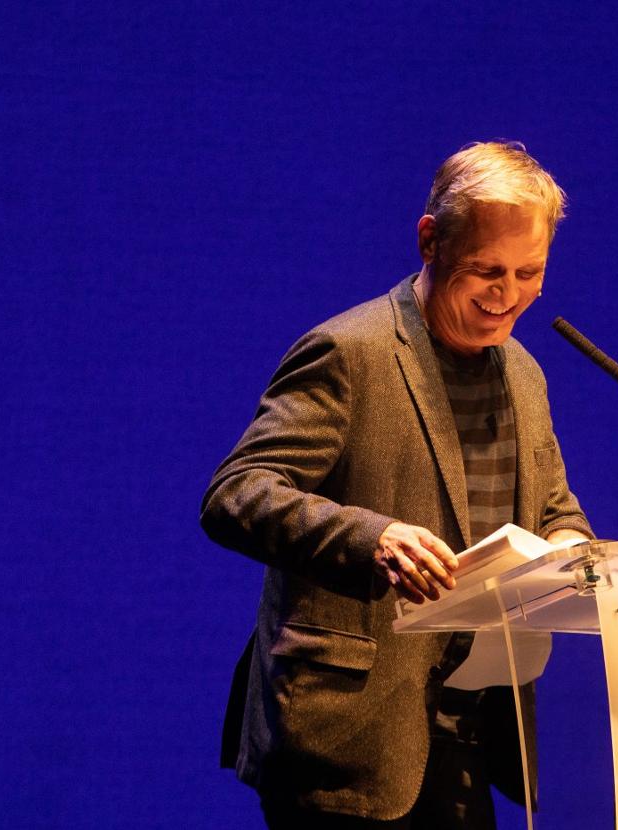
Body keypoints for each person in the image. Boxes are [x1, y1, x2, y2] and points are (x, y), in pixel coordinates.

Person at [200, 141, 593, 829]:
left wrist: (569, 545)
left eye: (529, 273)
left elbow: (554, 505)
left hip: (469, 726)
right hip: (348, 736)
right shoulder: (351, 354)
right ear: (429, 239)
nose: (508, 296)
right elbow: (237, 493)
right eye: (485, 271)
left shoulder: (524, 372)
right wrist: (372, 537)